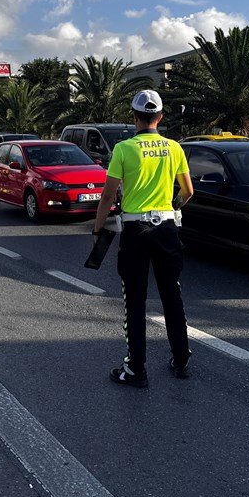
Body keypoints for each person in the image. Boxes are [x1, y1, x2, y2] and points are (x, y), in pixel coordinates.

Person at [92, 90, 195, 388]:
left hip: (136, 232)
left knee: (135, 301)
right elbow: (188, 192)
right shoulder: (174, 148)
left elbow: (108, 195)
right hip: (166, 229)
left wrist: (98, 229)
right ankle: (181, 360)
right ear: (160, 117)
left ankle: (136, 370)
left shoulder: (124, 149)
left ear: (134, 116)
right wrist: (170, 208)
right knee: (172, 296)